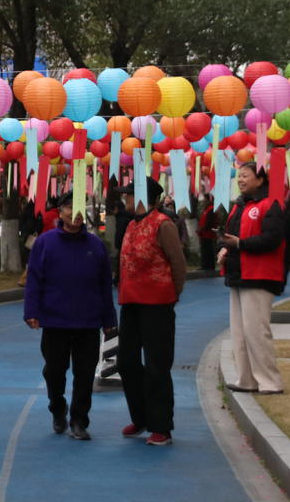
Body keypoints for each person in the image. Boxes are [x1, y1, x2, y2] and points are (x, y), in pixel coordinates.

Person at [23, 192, 117, 440]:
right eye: (68, 208)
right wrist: (31, 311)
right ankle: (57, 408)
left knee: (84, 375)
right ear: (60, 212)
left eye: (78, 208)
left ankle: (79, 421)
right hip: (55, 321)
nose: (74, 214)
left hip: (88, 322)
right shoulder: (45, 242)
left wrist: (109, 318)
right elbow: (34, 279)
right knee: (54, 371)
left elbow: (105, 284)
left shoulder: (96, 245)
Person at [116, 176, 186, 446]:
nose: (125, 198)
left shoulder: (163, 224)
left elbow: (177, 263)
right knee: (126, 362)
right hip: (130, 302)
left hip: (157, 304)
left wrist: (172, 294)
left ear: (143, 197)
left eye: (129, 194)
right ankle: (141, 417)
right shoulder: (131, 224)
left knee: (157, 366)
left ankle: (161, 427)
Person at [218, 161, 290, 396]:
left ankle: (270, 381)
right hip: (238, 274)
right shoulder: (239, 206)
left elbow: (272, 239)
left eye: (245, 176)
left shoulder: (271, 204)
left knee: (257, 331)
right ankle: (246, 378)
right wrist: (225, 248)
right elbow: (233, 236)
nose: (240, 180)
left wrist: (240, 244)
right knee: (239, 333)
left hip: (260, 275)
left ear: (260, 180)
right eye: (239, 176)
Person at [197, 196, 218, 271]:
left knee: (208, 251)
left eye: (205, 200)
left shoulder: (211, 209)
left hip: (208, 234)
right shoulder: (207, 209)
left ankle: (209, 266)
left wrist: (202, 229)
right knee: (205, 250)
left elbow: (209, 222)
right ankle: (205, 265)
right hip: (204, 234)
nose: (204, 201)